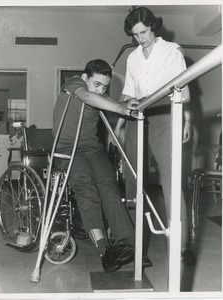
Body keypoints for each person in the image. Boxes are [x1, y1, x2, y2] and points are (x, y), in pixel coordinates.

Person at [115, 7, 196, 266]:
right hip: (137, 119)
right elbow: (128, 94)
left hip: (165, 116)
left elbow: (183, 91)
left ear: (153, 27)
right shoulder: (133, 58)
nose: (141, 39)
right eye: (136, 35)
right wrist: (119, 125)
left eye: (144, 32)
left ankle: (182, 247)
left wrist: (187, 119)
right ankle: (135, 245)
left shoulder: (172, 51)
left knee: (171, 183)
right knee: (132, 182)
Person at [52, 59, 139, 273]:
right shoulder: (73, 84)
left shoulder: (98, 94)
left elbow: (103, 99)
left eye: (104, 86)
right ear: (85, 78)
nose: (100, 90)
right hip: (67, 149)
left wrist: (126, 104)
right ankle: (104, 249)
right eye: (97, 84)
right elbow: (88, 96)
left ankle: (128, 243)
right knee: (86, 187)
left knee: (109, 186)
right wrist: (119, 106)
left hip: (93, 149)